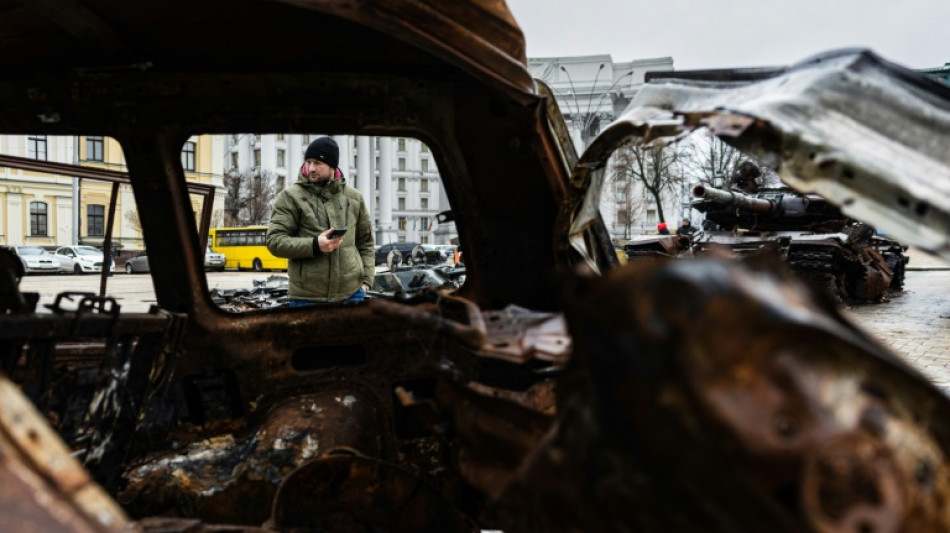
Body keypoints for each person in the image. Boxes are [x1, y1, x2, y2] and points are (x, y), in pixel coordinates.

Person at [266, 137, 375, 305]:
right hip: (307, 299)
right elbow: (274, 241)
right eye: (308, 162)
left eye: (317, 163)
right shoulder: (290, 197)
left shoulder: (354, 198)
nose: (311, 168)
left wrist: (366, 282)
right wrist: (315, 245)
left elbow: (365, 243)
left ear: (332, 165)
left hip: (352, 295)